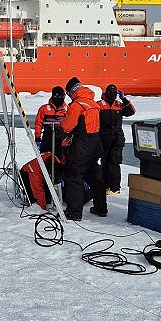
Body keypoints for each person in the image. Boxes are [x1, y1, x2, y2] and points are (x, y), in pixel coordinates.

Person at [56, 77, 106, 220]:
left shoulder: (77, 105)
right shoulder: (93, 104)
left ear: (72, 91)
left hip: (82, 146)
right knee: (95, 177)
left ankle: (74, 213)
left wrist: (61, 128)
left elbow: (68, 126)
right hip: (95, 145)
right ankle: (101, 208)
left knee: (73, 177)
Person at [98, 84, 135, 194]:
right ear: (106, 93)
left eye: (115, 93)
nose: (112, 95)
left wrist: (124, 98)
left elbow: (131, 111)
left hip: (117, 139)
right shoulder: (100, 105)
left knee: (114, 163)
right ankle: (104, 185)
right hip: (103, 138)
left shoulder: (119, 105)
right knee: (104, 162)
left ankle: (115, 188)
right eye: (111, 93)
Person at [35, 86, 67, 160]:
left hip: (61, 140)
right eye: (56, 96)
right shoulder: (44, 109)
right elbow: (38, 123)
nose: (59, 98)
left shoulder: (67, 110)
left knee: (61, 160)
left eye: (61, 96)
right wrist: (37, 138)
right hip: (47, 139)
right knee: (45, 159)